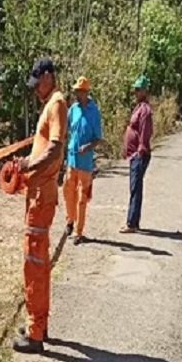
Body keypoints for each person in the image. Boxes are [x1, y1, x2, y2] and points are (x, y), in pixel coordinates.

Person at [12, 57, 68, 354]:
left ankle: (35, 334)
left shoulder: (56, 103)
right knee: (40, 261)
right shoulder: (51, 104)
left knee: (33, 262)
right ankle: (39, 324)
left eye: (37, 83)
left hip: (41, 198)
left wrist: (29, 165)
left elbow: (55, 148)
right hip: (39, 195)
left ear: (48, 76)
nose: (35, 90)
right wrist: (27, 165)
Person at [63, 76, 103, 245]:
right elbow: (66, 130)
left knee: (82, 197)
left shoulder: (94, 112)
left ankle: (78, 232)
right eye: (76, 91)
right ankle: (69, 221)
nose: (77, 94)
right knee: (68, 191)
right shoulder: (73, 110)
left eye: (79, 92)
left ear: (86, 92)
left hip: (85, 163)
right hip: (71, 159)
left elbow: (98, 138)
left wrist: (88, 146)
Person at [121, 75, 153, 233]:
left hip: (139, 154)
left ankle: (132, 223)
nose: (136, 92)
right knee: (135, 188)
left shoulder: (145, 110)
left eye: (139, 89)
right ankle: (133, 221)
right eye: (135, 89)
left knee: (135, 188)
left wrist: (139, 151)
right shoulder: (139, 107)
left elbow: (145, 133)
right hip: (134, 153)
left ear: (145, 91)